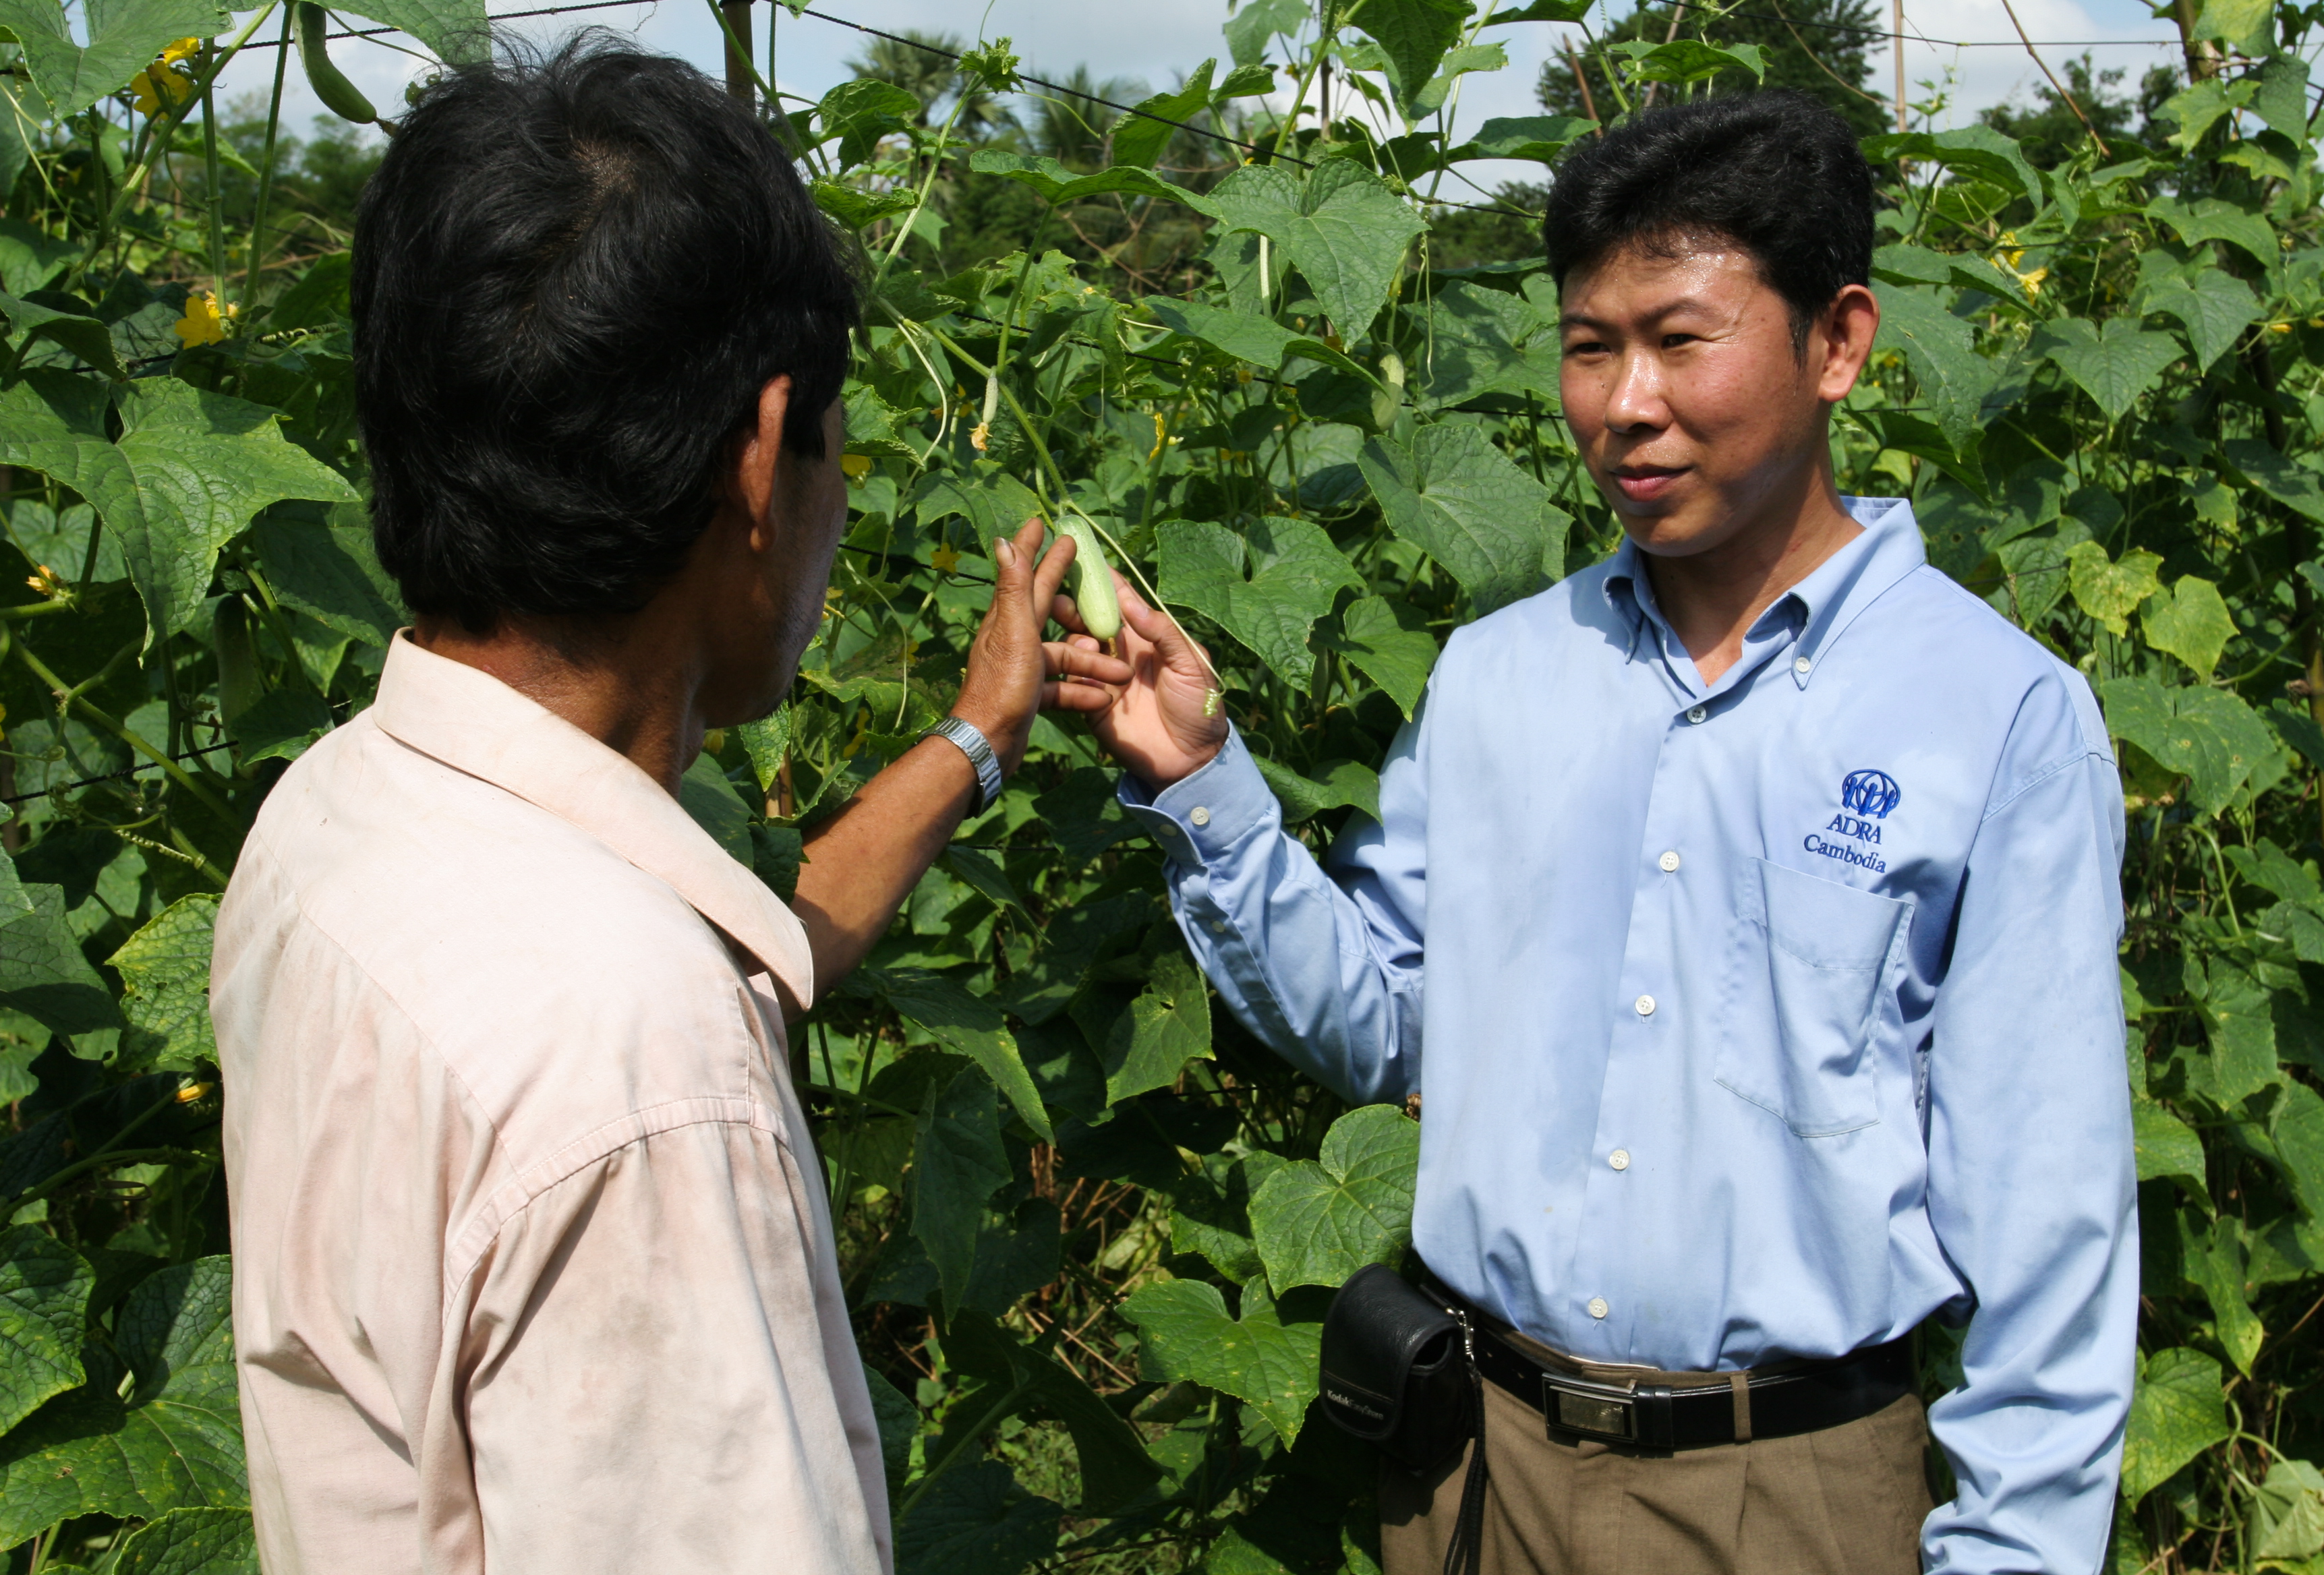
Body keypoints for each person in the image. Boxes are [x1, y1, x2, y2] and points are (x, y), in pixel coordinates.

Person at [1052, 90, 2137, 1574]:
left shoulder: (1995, 714)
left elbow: (2051, 1222)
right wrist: (1201, 787)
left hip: (1790, 1492)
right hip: (1472, 1471)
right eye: (1588, 343)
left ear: (1841, 341)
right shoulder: (1499, 676)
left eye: (1682, 339)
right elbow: (1386, 1028)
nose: (1625, 402)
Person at [210, 38, 1105, 1575]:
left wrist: (981, 731)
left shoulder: (344, 821)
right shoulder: (633, 1072)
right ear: (761, 455)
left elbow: (739, 946)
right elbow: (640, 1039)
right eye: (836, 443)